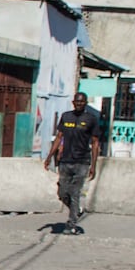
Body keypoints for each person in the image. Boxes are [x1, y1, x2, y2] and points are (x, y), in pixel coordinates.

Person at [44, 92, 100, 236]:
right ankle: (76, 210)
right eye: (77, 102)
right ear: (73, 102)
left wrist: (93, 165)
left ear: (86, 103)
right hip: (65, 161)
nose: (79, 104)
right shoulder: (66, 116)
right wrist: (50, 156)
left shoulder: (91, 119)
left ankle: (71, 225)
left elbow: (95, 143)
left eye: (82, 102)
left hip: (82, 162)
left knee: (75, 192)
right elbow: (59, 137)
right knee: (62, 192)